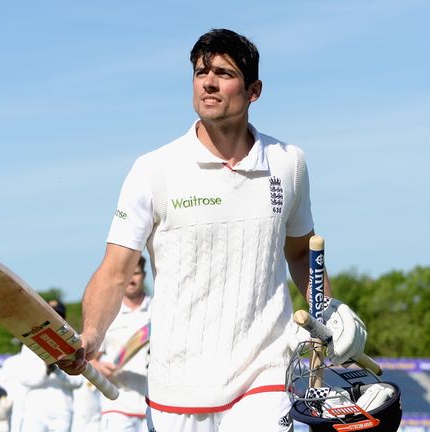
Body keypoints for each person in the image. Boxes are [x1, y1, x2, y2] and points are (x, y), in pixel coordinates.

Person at [58, 28, 367, 432]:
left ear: (254, 90)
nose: (208, 81)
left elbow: (298, 252)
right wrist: (92, 333)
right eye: (201, 71)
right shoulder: (153, 169)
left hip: (265, 374)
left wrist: (328, 313)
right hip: (176, 385)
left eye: (223, 72)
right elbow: (116, 270)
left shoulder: (289, 163)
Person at [91, 256, 151, 431]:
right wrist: (99, 367)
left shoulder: (158, 309)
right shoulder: (109, 313)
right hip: (117, 405)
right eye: (128, 274)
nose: (132, 279)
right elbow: (91, 359)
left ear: (144, 275)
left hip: (154, 406)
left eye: (136, 273)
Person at [14, 300, 83, 432]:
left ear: (64, 319)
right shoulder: (29, 345)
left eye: (58, 315)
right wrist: (46, 369)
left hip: (62, 411)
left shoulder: (74, 345)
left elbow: (78, 381)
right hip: (35, 410)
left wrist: (58, 370)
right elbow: (24, 379)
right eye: (50, 315)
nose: (53, 319)